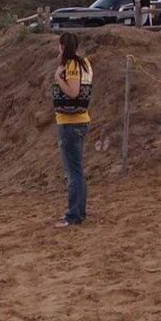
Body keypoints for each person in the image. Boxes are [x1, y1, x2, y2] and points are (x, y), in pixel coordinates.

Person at [52, 32, 93, 228]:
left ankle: (74, 215)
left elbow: (73, 92)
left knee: (73, 172)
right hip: (79, 120)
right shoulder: (84, 64)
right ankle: (79, 211)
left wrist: (58, 79)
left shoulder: (72, 66)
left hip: (70, 122)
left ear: (62, 46)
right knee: (77, 170)